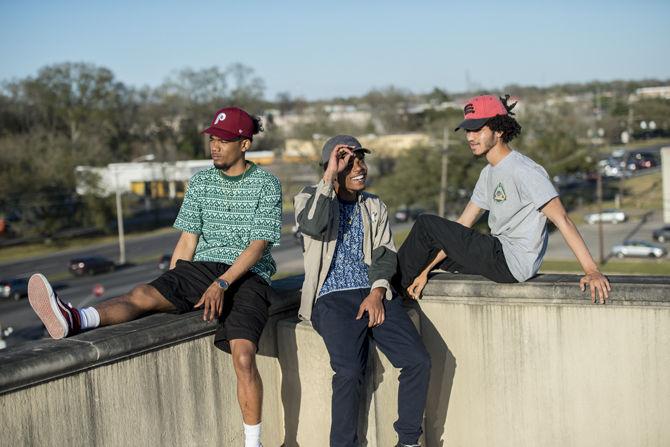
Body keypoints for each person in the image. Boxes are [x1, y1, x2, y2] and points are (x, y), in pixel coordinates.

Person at [27, 106, 282, 447]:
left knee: (244, 357)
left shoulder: (267, 184)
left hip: (248, 275)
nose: (215, 146)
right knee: (144, 294)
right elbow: (188, 240)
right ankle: (76, 317)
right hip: (203, 267)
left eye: (224, 140)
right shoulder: (202, 181)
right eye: (212, 139)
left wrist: (222, 284)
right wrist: (174, 286)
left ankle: (254, 443)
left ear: (245, 144)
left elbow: (256, 246)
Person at [396, 94, 611, 303]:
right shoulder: (488, 173)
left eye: (478, 130)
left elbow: (562, 219)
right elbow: (461, 225)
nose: (470, 137)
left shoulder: (524, 170)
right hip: (497, 253)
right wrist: (425, 271)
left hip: (511, 260)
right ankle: (398, 290)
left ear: (499, 130)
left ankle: (389, 296)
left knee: (426, 224)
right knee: (427, 248)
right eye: (467, 131)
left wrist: (592, 271)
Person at [294, 135, 431, 447]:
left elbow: (385, 253)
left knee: (417, 360)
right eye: (349, 161)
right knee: (349, 371)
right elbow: (314, 226)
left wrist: (377, 292)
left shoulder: (374, 205)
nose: (360, 168)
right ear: (332, 165)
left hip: (372, 293)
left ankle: (408, 441)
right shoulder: (308, 198)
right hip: (330, 298)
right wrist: (329, 177)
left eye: (361, 160)